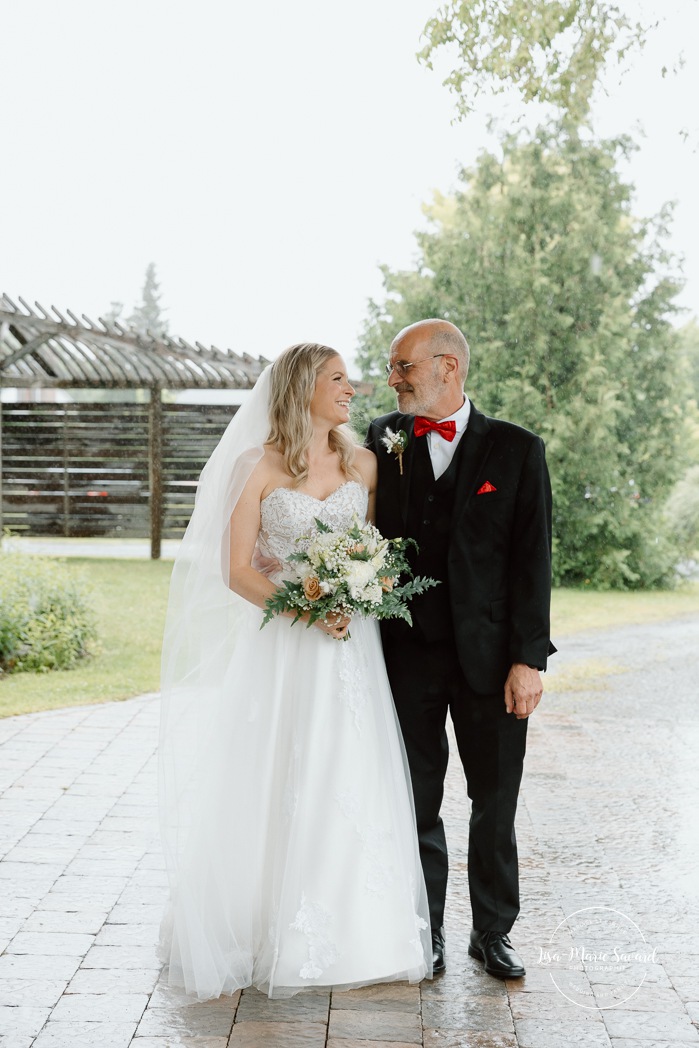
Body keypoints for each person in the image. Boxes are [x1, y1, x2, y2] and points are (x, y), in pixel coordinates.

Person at [158, 343, 431, 1001]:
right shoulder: (256, 466)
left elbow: (369, 551)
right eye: (338, 378)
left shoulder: (364, 463)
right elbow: (236, 568)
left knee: (349, 769)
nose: (352, 388)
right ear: (303, 386)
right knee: (276, 773)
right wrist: (303, 609)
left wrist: (363, 588)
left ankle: (365, 929)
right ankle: (265, 926)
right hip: (284, 647)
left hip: (350, 651)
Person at [366, 319, 555, 980]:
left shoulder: (516, 450)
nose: (393, 380)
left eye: (402, 367)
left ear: (446, 366)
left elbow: (533, 560)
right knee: (414, 799)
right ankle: (427, 932)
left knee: (494, 800)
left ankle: (493, 933)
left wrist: (529, 659)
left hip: (492, 662)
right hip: (404, 655)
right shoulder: (379, 440)